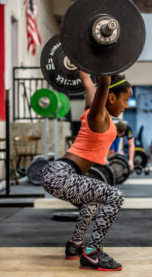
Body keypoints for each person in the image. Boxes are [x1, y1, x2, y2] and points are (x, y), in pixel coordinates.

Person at [41, 71, 132, 271]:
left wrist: (84, 65)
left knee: (94, 200)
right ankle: (93, 253)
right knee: (115, 196)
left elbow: (86, 81)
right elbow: (104, 81)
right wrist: (106, 64)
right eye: (125, 100)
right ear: (111, 97)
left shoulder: (95, 110)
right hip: (61, 174)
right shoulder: (98, 114)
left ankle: (75, 245)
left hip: (60, 173)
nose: (126, 106)